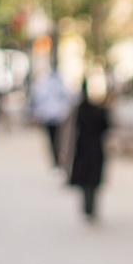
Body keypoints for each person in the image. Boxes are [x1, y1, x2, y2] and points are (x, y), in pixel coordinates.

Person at [67, 79, 110, 222]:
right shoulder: (99, 110)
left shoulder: (81, 109)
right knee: (91, 181)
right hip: (93, 149)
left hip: (85, 149)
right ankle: (90, 208)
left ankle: (88, 207)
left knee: (87, 181)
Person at [30, 68, 72, 168]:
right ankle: (57, 159)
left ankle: (58, 158)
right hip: (51, 116)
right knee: (54, 139)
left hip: (57, 116)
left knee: (57, 139)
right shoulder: (46, 85)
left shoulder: (56, 85)